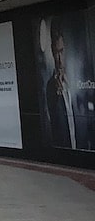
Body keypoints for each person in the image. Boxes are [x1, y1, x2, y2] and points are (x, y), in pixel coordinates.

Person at [44, 18, 74, 148]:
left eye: (61, 51)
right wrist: (58, 92)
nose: (60, 59)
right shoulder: (51, 86)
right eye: (56, 53)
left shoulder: (72, 80)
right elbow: (55, 124)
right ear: (51, 51)